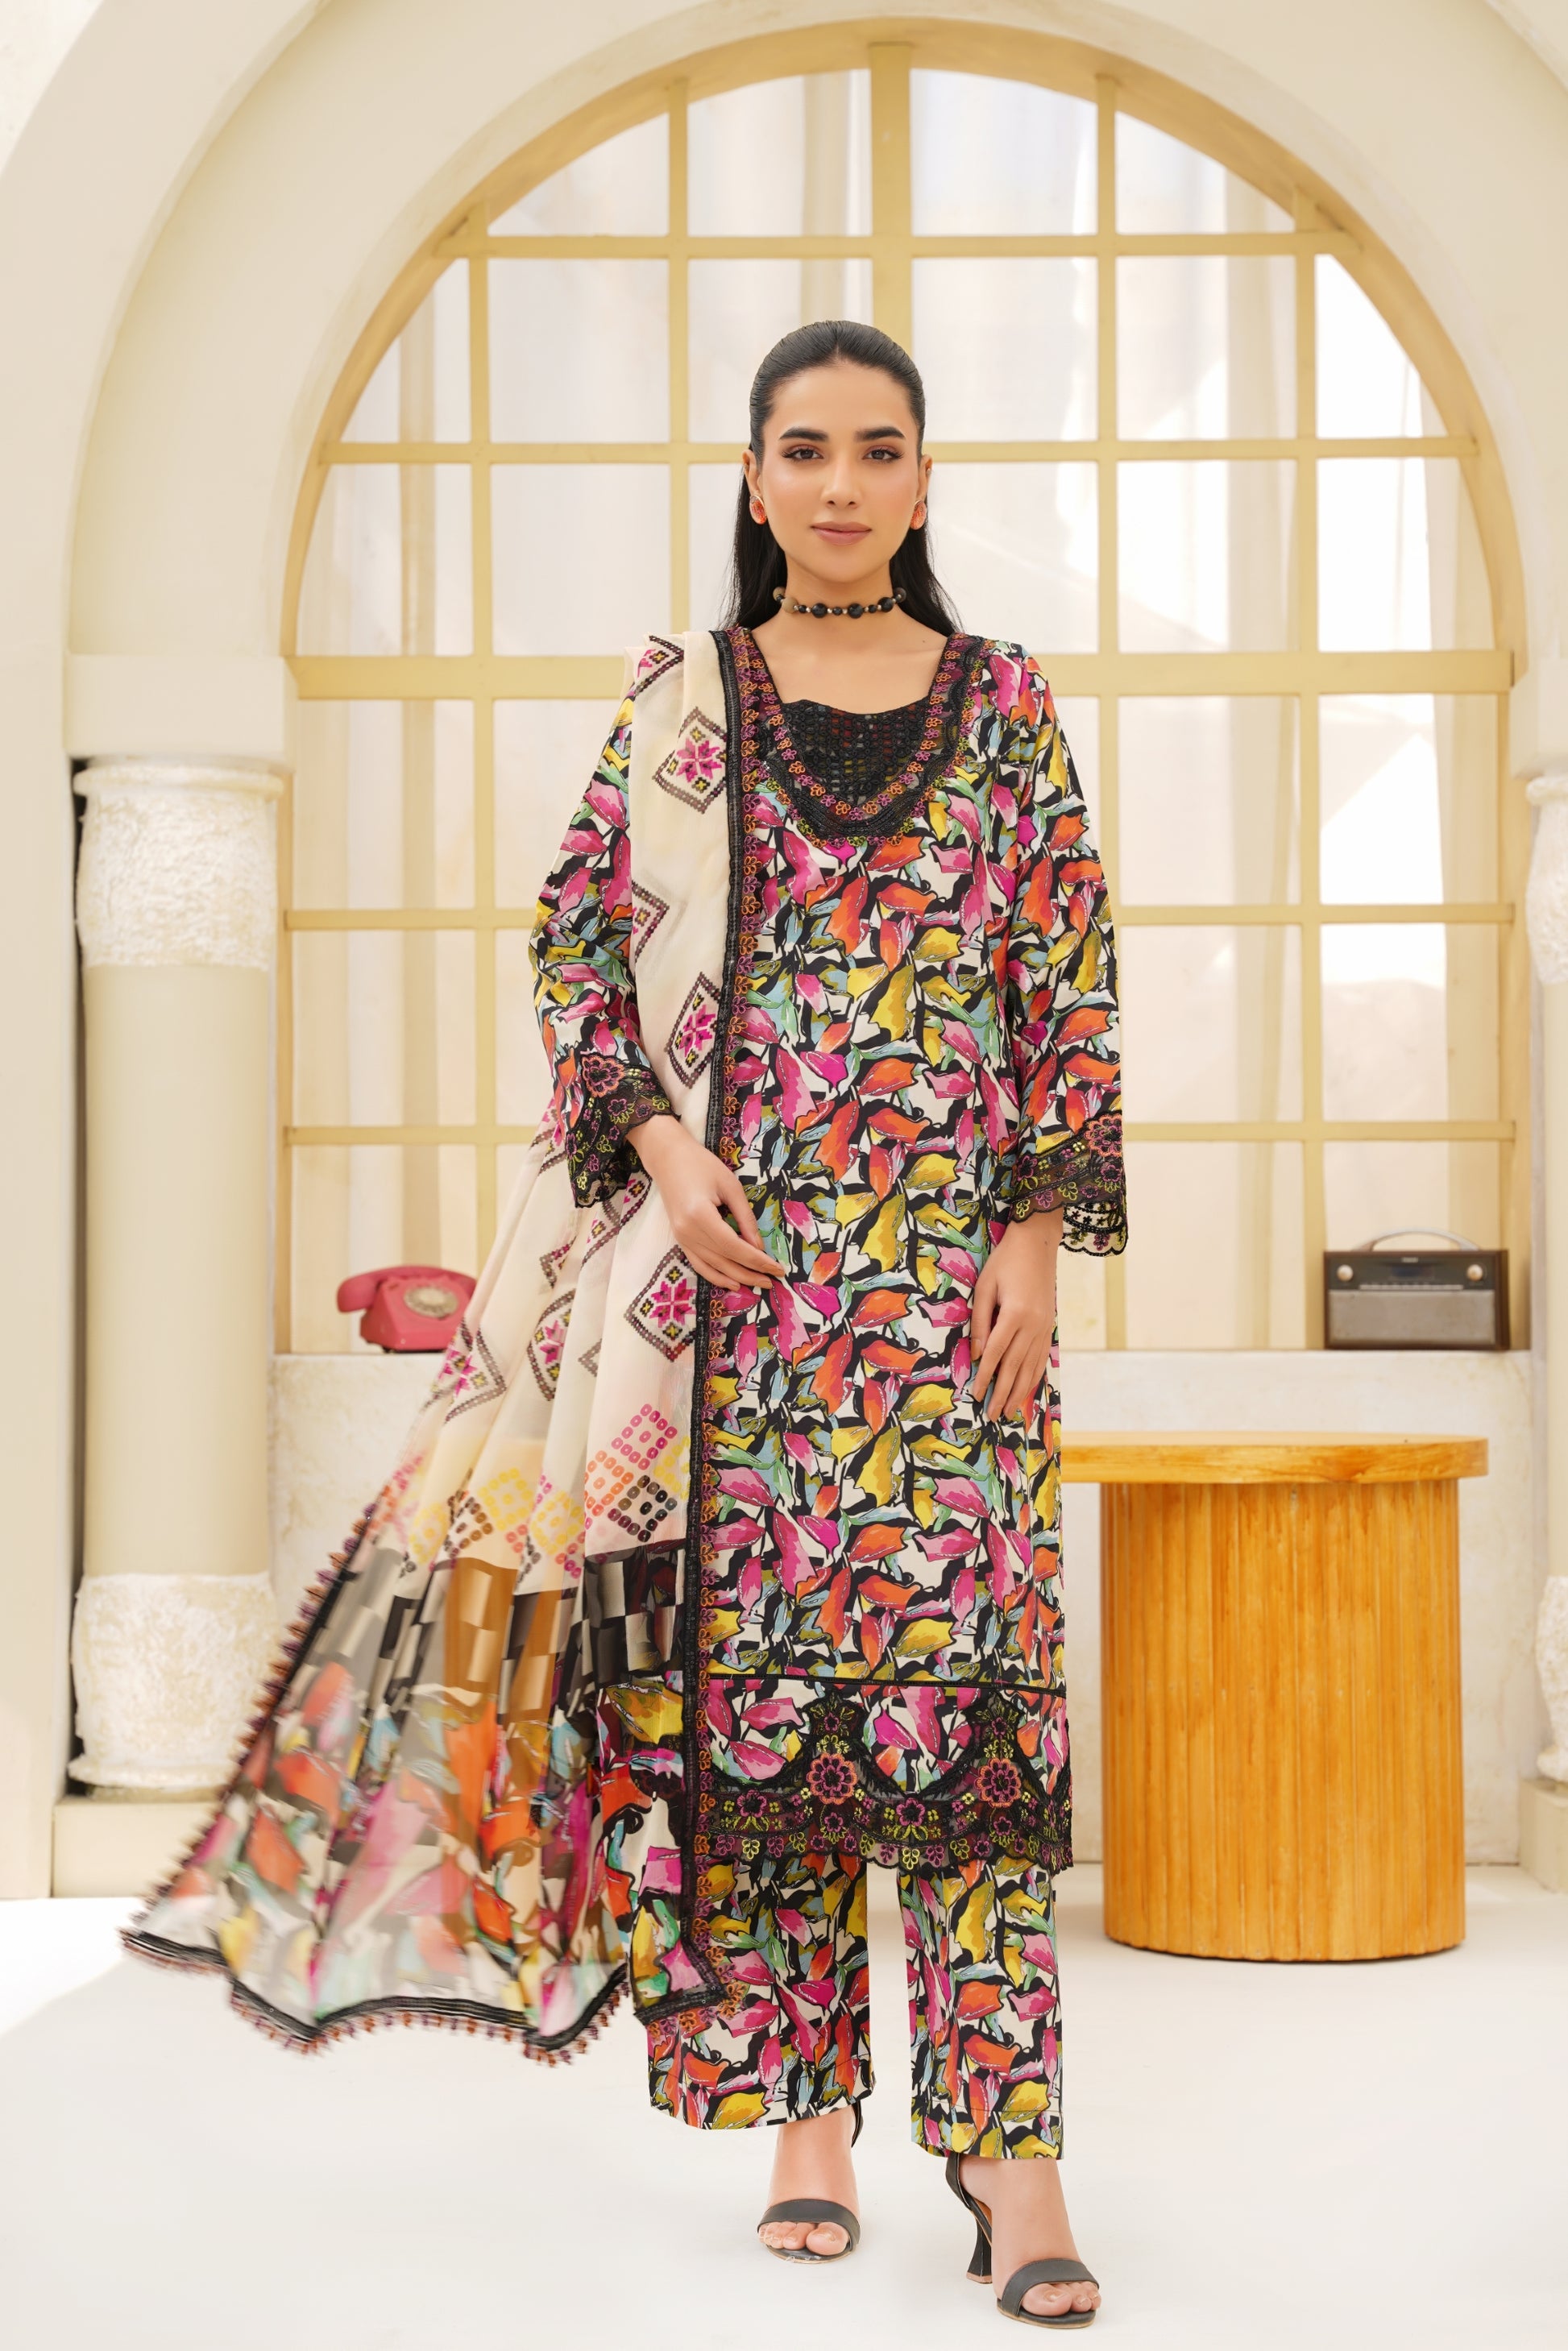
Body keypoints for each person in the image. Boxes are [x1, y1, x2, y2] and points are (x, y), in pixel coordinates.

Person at [125, 319, 1124, 2332]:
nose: (840, 484)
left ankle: (1011, 2156)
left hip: (945, 1312)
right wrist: (664, 1154)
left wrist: (1036, 1232)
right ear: (754, 480)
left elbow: (1066, 978)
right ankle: (805, 2130)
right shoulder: (684, 705)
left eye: (879, 450)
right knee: (755, 1736)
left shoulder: (1007, 705)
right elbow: (576, 946)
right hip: (725, 1321)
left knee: (971, 1724)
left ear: (925, 483)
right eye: (804, 449)